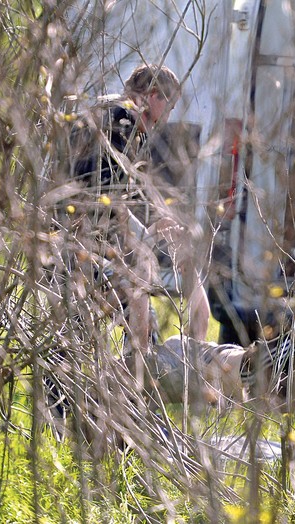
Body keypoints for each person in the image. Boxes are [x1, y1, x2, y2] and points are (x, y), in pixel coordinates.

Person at [58, 63, 210, 351]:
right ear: (154, 96)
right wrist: (137, 245)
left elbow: (132, 190)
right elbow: (103, 197)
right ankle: (130, 383)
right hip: (76, 242)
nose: (170, 116)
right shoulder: (120, 121)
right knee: (135, 306)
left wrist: (157, 222)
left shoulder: (129, 127)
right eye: (171, 105)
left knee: (142, 321)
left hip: (87, 240)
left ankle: (131, 382)